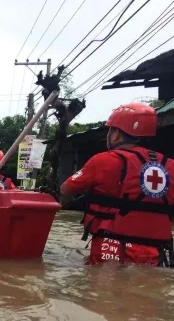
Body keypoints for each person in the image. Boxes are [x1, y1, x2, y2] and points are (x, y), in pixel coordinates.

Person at [60, 102, 174, 266]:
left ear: (116, 135)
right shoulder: (170, 165)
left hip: (111, 246)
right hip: (156, 251)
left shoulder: (105, 160)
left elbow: (65, 190)